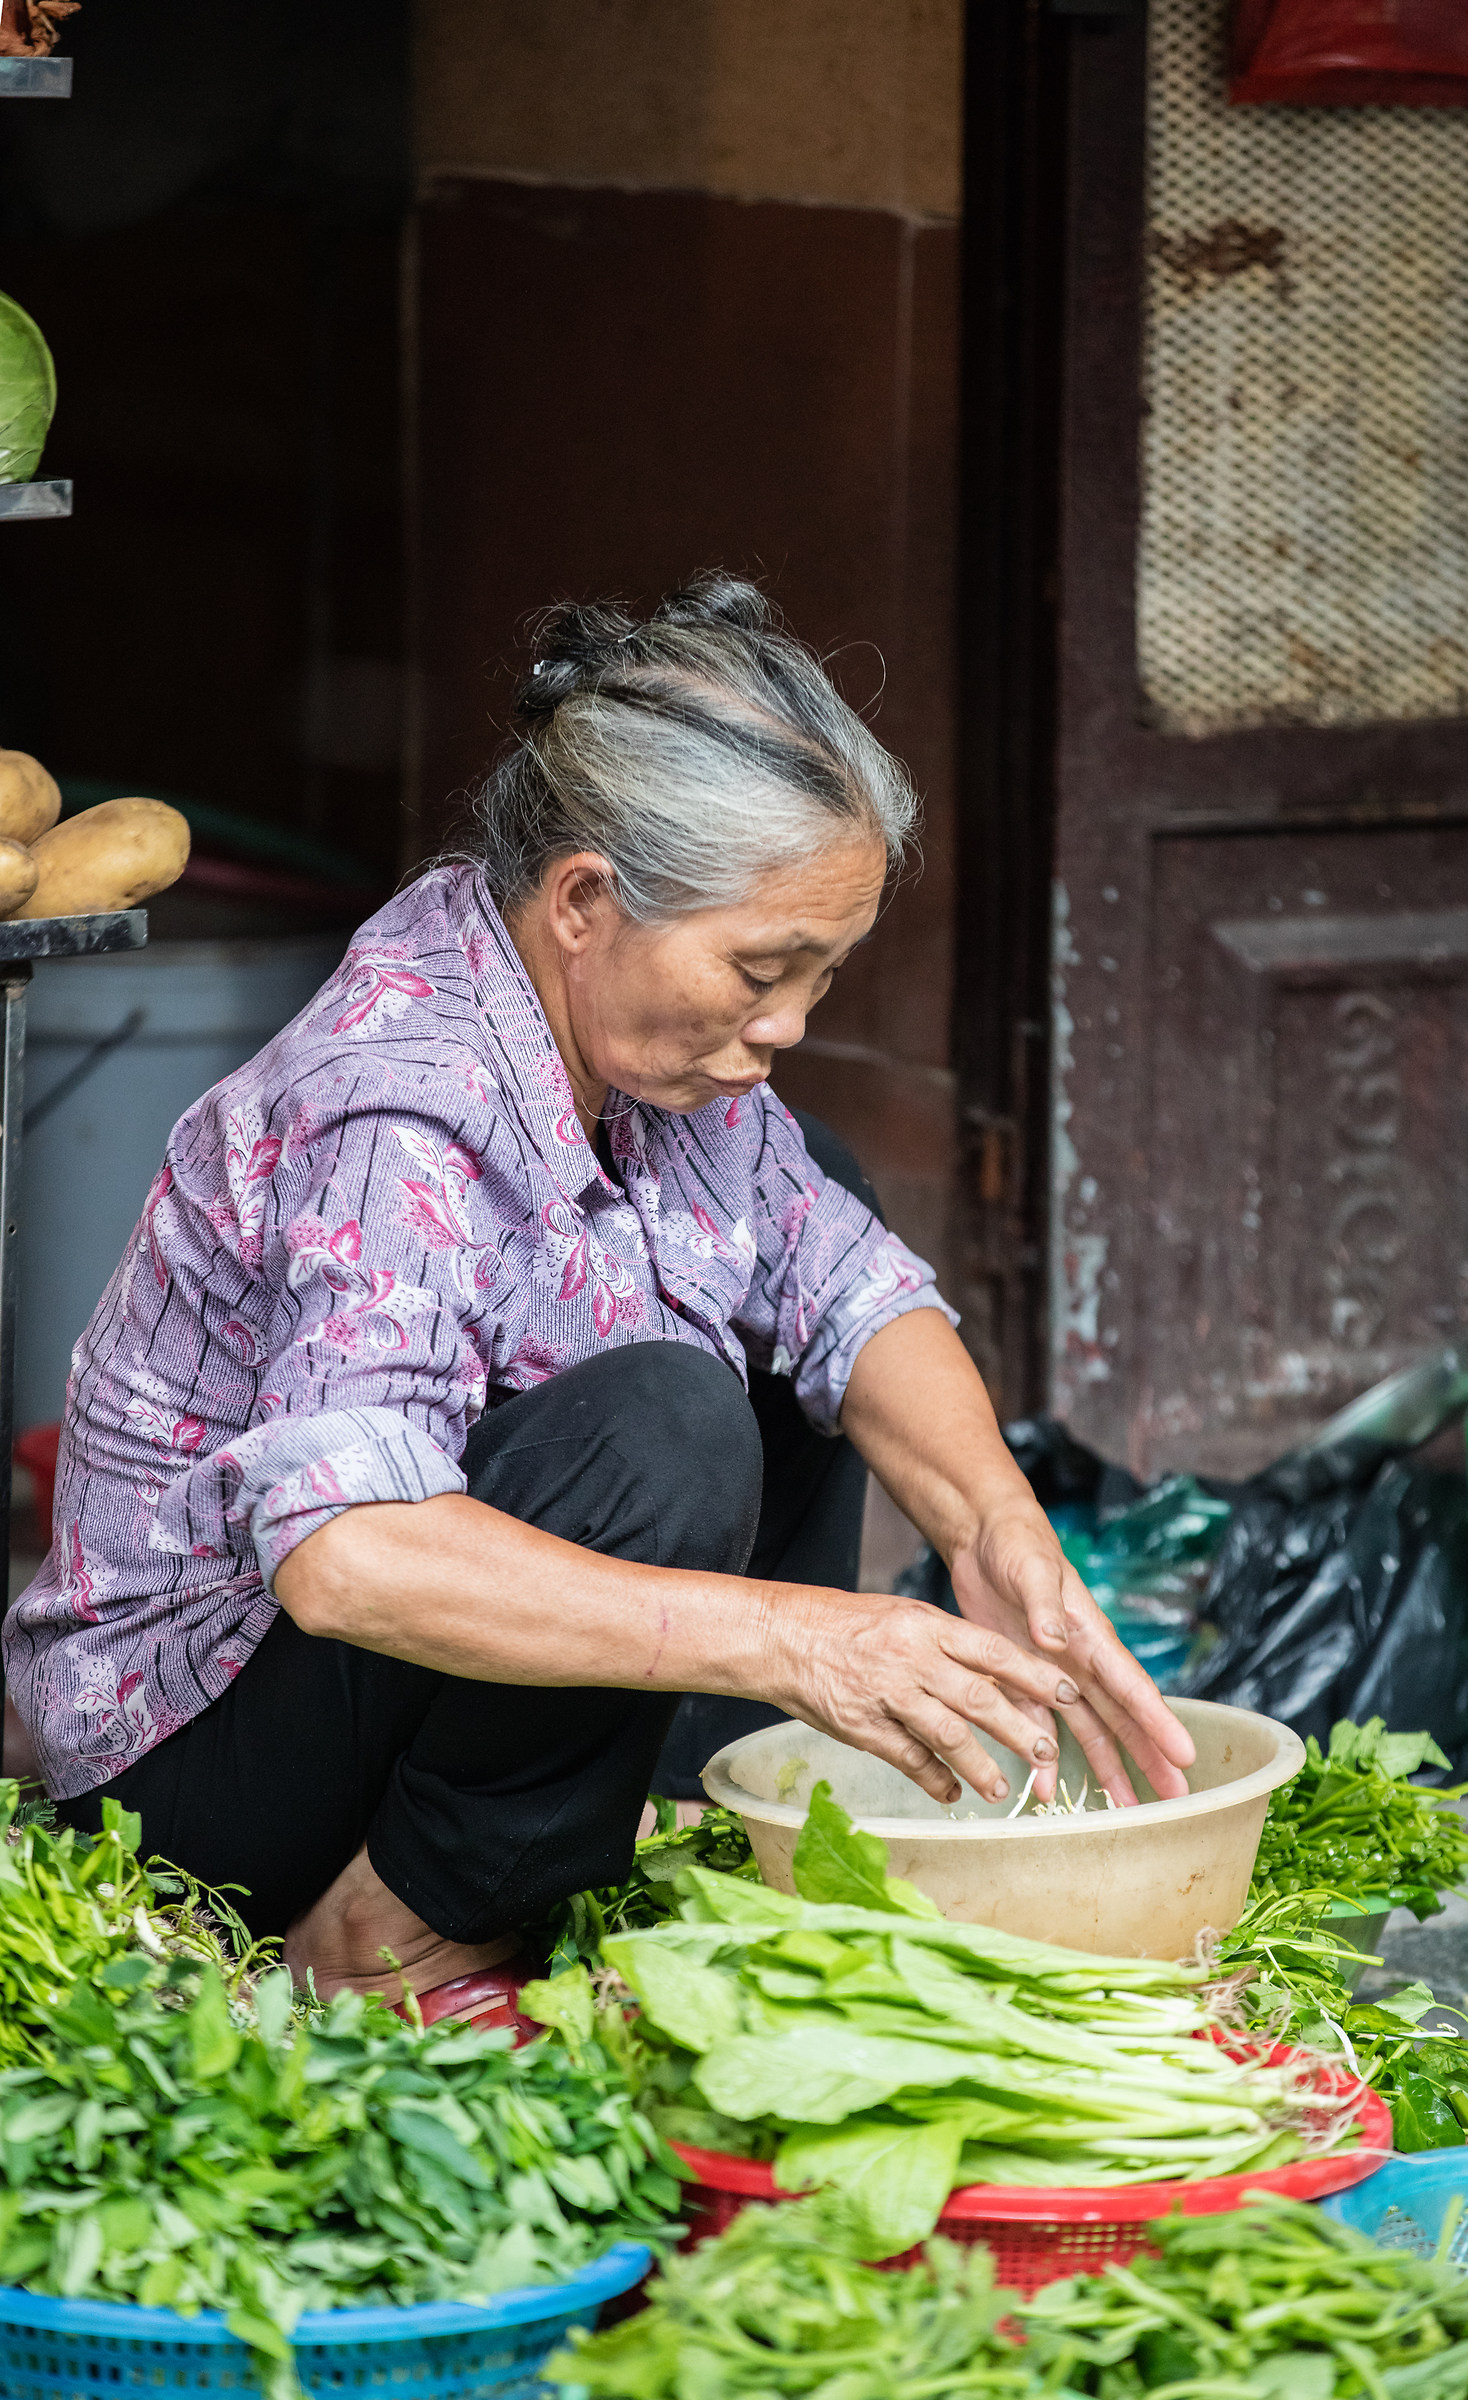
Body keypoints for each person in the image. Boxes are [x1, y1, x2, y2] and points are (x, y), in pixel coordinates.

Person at [4, 575, 1194, 2021]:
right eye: (762, 970)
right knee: (664, 1422)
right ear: (583, 901)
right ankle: (399, 1926)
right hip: (201, 1774)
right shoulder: (397, 1105)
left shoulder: (626, 1039)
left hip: (375, 1691)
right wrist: (797, 1639)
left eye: (821, 976)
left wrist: (999, 1532)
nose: (789, 1023)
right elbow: (347, 1560)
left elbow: (849, 1285)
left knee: (807, 1187)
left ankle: (672, 1802)